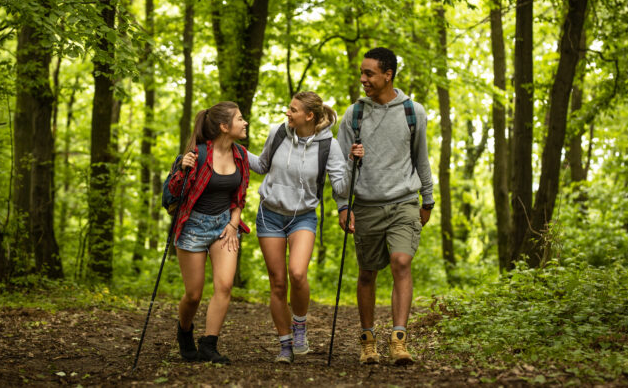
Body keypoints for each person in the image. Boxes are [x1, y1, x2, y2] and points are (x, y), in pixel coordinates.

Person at [335, 47, 434, 366]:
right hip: (365, 205)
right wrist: (342, 205)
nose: (362, 79)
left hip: (404, 201)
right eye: (362, 73)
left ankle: (399, 340)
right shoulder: (354, 114)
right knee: (367, 273)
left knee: (401, 261)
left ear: (388, 75)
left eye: (369, 74)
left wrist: (428, 198)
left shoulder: (413, 111)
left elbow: (421, 158)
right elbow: (339, 167)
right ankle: (367, 341)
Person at [248, 91, 363, 364]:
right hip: (270, 215)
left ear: (309, 116)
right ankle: (285, 344)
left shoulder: (329, 145)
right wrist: (233, 149)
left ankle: (299, 326)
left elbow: (341, 187)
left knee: (297, 273)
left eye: (293, 110)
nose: (287, 113)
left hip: (303, 217)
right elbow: (262, 165)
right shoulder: (278, 132)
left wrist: (352, 162)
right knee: (277, 283)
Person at [167, 101, 250, 365]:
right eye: (240, 119)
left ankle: (208, 344)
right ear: (225, 127)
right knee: (193, 294)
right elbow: (171, 196)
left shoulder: (241, 155)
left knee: (224, 286)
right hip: (192, 226)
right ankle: (184, 331)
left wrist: (233, 223)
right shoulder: (197, 155)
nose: (245, 122)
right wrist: (182, 169)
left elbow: (240, 197)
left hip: (224, 227)